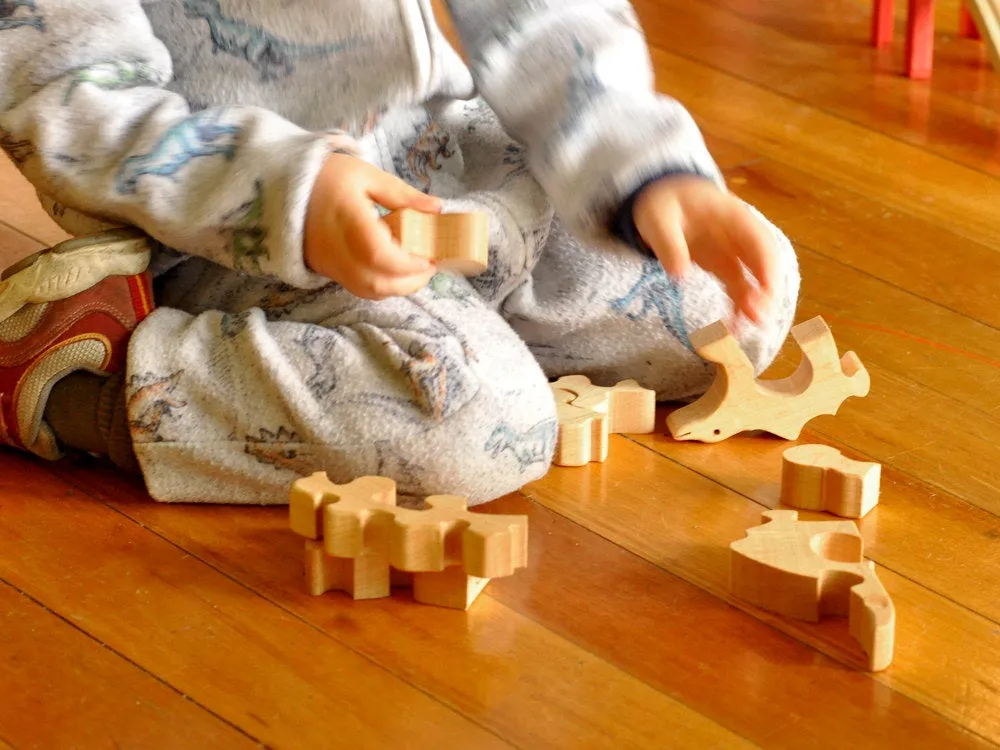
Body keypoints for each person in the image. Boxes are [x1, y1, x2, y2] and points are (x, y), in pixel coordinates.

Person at [0, 0, 800, 505]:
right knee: (484, 424)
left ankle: (448, 325)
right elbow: (68, 102)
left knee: (731, 310)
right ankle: (85, 371)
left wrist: (641, 169)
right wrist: (294, 194)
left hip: (446, 157)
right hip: (236, 223)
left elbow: (547, 15)